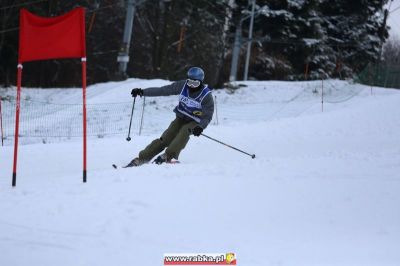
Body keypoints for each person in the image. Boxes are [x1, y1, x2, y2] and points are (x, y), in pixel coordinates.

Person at [126, 67, 214, 166]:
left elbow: (207, 116)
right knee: (166, 138)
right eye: (190, 82)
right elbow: (163, 90)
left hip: (195, 121)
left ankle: (168, 156)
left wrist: (200, 127)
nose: (192, 86)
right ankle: (142, 158)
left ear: (201, 82)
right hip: (181, 117)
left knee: (184, 132)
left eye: (195, 83)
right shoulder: (182, 86)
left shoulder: (206, 96)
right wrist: (142, 92)